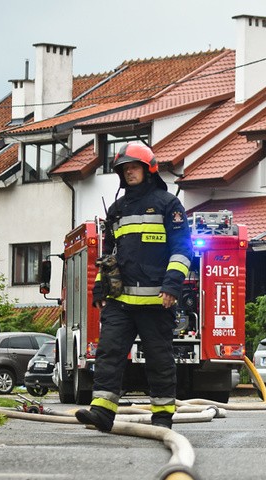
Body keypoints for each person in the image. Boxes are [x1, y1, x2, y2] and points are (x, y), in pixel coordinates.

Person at [75, 142, 193, 432]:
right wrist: (100, 288)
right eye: (124, 169)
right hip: (122, 302)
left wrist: (172, 285)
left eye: (133, 167)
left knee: (159, 360)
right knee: (108, 354)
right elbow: (109, 256)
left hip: (157, 301)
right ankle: (102, 412)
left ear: (149, 169)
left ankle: (163, 417)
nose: (129, 173)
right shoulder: (117, 210)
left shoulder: (169, 205)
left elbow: (182, 249)